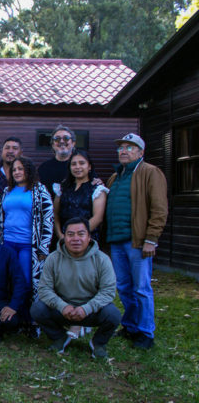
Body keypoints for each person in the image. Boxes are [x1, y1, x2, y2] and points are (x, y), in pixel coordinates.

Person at [105, 133, 168, 350]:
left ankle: (146, 332)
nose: (123, 151)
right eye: (121, 147)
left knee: (141, 288)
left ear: (141, 152)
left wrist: (151, 239)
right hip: (117, 241)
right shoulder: (115, 177)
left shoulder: (150, 173)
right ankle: (130, 326)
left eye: (130, 148)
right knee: (124, 287)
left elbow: (159, 209)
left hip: (138, 242)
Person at [32, 218, 121, 358]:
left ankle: (98, 343)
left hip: (90, 311)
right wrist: (62, 306)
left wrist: (87, 308)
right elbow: (44, 289)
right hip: (63, 310)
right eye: (70, 234)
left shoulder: (102, 260)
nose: (75, 239)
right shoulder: (53, 258)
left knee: (113, 314)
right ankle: (59, 337)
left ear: (89, 237)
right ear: (64, 236)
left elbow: (108, 292)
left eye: (81, 234)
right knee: (37, 309)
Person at [0, 156, 53, 336]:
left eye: (20, 169)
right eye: (14, 170)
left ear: (28, 170)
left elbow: (48, 220)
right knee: (10, 282)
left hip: (28, 245)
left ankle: (32, 321)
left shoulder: (39, 190)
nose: (17, 172)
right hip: (7, 242)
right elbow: (2, 218)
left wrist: (43, 247)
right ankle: (16, 320)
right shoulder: (7, 191)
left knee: (27, 282)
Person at [53, 150, 108, 242]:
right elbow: (55, 214)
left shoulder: (97, 189)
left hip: (87, 240)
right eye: (73, 164)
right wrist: (61, 235)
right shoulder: (62, 188)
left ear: (89, 167)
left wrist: (77, 236)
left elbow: (98, 218)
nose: (77, 167)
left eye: (82, 163)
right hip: (63, 239)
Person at [38, 125, 76, 196]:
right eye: (57, 139)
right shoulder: (43, 168)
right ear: (52, 144)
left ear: (73, 143)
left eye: (66, 138)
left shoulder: (81, 167)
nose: (61, 141)